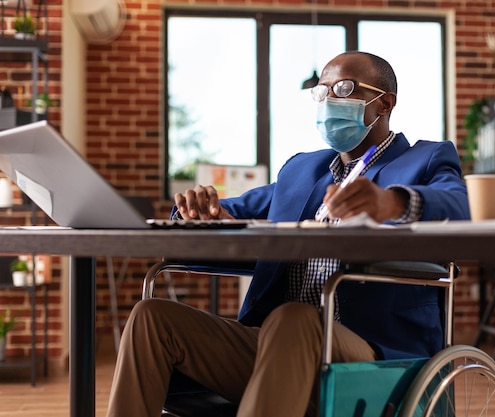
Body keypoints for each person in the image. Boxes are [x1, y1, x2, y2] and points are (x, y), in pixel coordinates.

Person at [106, 51, 470, 417]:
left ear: (384, 103)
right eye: (321, 91)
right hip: (273, 347)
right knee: (152, 317)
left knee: (294, 317)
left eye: (343, 89)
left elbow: (459, 206)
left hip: (369, 350)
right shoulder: (302, 170)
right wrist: (200, 212)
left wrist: (392, 203)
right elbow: (233, 211)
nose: (329, 100)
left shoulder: (424, 160)